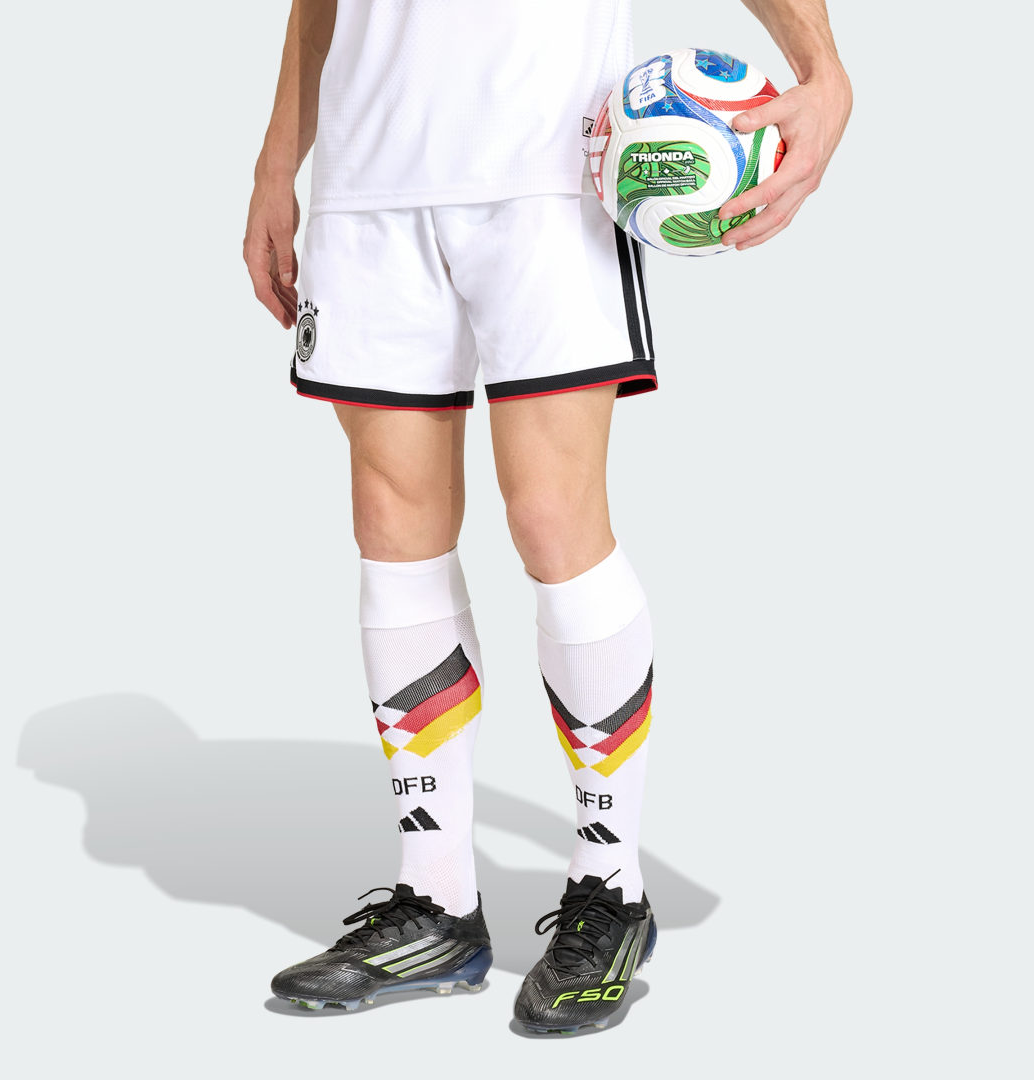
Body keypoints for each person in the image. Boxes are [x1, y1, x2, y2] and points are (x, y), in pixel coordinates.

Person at [244, 0, 850, 1034]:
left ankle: (610, 889)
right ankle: (437, 901)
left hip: (549, 163)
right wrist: (277, 162)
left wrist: (822, 69)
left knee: (551, 517)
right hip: (371, 168)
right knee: (392, 524)